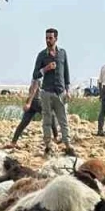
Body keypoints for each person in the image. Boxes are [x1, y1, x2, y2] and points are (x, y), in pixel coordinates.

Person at [32, 28, 73, 156]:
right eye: (46, 38)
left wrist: (68, 90)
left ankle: (68, 145)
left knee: (63, 120)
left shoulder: (62, 53)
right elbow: (35, 74)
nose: (48, 40)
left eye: (50, 38)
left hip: (60, 93)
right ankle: (48, 145)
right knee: (47, 120)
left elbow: (66, 73)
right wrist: (46, 68)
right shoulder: (42, 55)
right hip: (46, 93)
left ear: (56, 38)